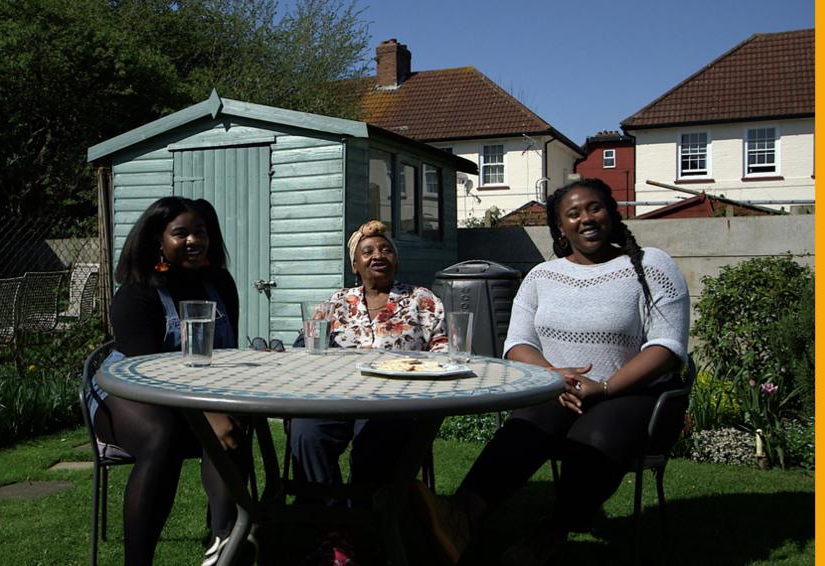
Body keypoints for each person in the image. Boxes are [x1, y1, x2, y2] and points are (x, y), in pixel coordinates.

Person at [409, 179, 690, 565]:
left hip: (635, 394)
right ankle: (461, 518)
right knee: (524, 427)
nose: (586, 219)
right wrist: (552, 374)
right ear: (560, 228)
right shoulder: (542, 277)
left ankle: (553, 531)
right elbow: (517, 343)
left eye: (595, 208)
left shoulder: (650, 265)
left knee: (593, 436)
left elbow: (667, 347)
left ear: (612, 212)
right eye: (573, 213)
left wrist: (603, 388)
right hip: (560, 389)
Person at [87, 196, 248, 566]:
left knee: (232, 432)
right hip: (127, 390)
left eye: (201, 232)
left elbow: (228, 351)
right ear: (158, 240)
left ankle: (225, 546)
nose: (194, 240)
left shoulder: (219, 283)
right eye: (181, 233)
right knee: (162, 438)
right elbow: (147, 374)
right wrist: (208, 414)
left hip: (199, 389)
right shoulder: (136, 292)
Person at [288, 219, 448, 565]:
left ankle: (365, 526)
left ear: (396, 259)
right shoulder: (337, 302)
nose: (379, 255)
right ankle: (331, 528)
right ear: (355, 264)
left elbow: (444, 354)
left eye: (386, 249)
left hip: (395, 401)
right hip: (335, 396)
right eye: (368, 251)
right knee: (305, 430)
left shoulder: (423, 300)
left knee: (372, 439)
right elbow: (306, 345)